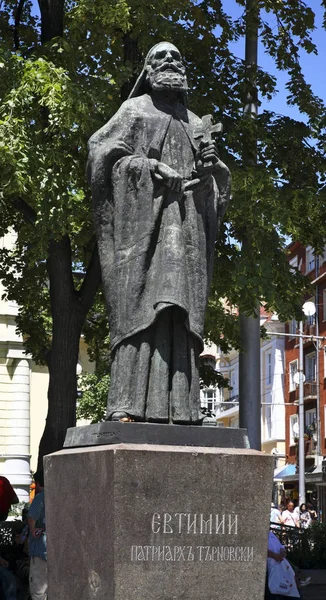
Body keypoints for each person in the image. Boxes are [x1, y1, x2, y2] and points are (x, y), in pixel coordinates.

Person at [88, 41, 231, 424]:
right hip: (144, 238)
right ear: (147, 72)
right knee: (141, 311)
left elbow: (215, 191)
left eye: (176, 57)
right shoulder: (133, 111)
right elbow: (102, 155)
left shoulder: (195, 123)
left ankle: (182, 409)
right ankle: (127, 405)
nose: (170, 61)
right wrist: (149, 167)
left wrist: (211, 173)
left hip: (184, 236)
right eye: (160, 58)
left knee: (179, 314)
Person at [27, 471, 47, 600]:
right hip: (59, 551)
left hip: (41, 551)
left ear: (38, 483)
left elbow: (31, 516)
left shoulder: (41, 497)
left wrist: (33, 530)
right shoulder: (62, 494)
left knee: (39, 590)